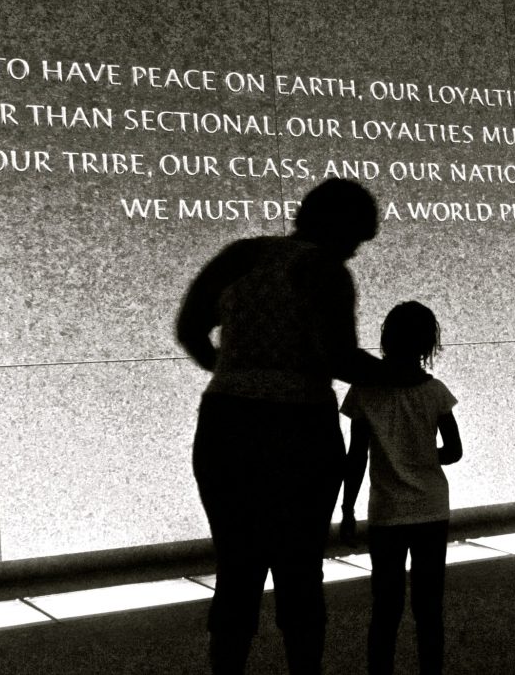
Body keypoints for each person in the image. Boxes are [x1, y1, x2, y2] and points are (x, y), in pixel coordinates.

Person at [175, 178, 384, 675]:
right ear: (340, 227)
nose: (355, 251)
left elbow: (189, 329)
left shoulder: (241, 255)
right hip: (299, 429)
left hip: (226, 423)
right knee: (299, 572)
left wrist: (233, 370)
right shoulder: (325, 269)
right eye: (356, 238)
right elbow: (336, 356)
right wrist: (399, 374)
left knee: (237, 570)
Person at [339, 301, 463, 675]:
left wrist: (346, 511)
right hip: (431, 507)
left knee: (385, 608)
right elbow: (454, 452)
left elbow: (356, 458)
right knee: (429, 609)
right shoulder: (436, 392)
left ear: (387, 340)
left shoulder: (363, 392)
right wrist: (425, 456)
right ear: (428, 344)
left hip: (387, 511)